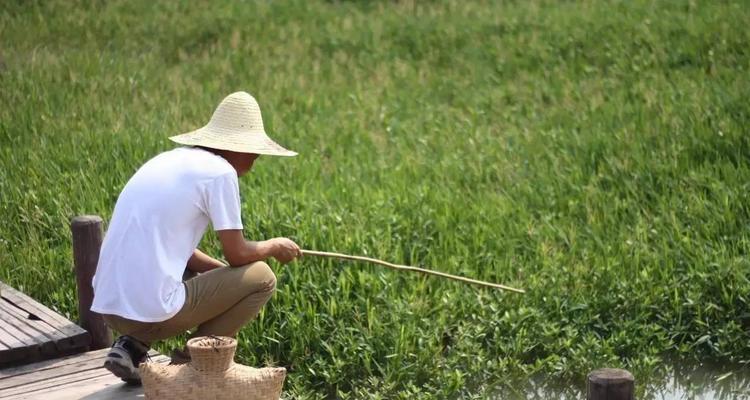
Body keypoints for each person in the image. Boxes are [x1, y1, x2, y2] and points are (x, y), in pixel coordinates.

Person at [90, 91, 301, 384]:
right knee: (263, 277)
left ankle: (132, 346)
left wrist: (225, 280)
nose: (255, 160)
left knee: (200, 272)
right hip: (149, 312)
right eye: (254, 152)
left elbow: (180, 251)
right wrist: (274, 246)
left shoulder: (168, 161)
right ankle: (187, 365)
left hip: (108, 304)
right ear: (237, 149)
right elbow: (237, 253)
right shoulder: (221, 173)